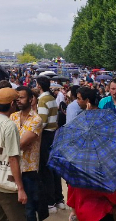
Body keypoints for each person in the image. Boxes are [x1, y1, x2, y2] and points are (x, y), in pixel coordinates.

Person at [67, 86, 116, 221]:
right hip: (107, 206)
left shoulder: (79, 162)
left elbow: (72, 186)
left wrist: (73, 208)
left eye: (79, 99)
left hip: (86, 206)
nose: (77, 102)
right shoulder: (108, 119)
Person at [0, 87, 27, 221]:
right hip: (7, 186)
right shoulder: (9, 126)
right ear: (12, 104)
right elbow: (13, 158)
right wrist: (20, 188)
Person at [10, 86, 43, 221]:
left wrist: (8, 143)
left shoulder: (36, 120)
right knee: (14, 209)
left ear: (31, 99)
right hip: (14, 168)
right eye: (17, 98)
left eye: (22, 97)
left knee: (29, 209)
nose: (18, 100)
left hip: (29, 170)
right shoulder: (13, 116)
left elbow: (20, 144)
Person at [36, 75, 65, 213]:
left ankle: (50, 201)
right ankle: (59, 199)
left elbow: (41, 122)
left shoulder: (42, 100)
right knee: (54, 169)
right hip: (53, 134)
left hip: (46, 135)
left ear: (39, 86)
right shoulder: (52, 98)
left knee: (46, 169)